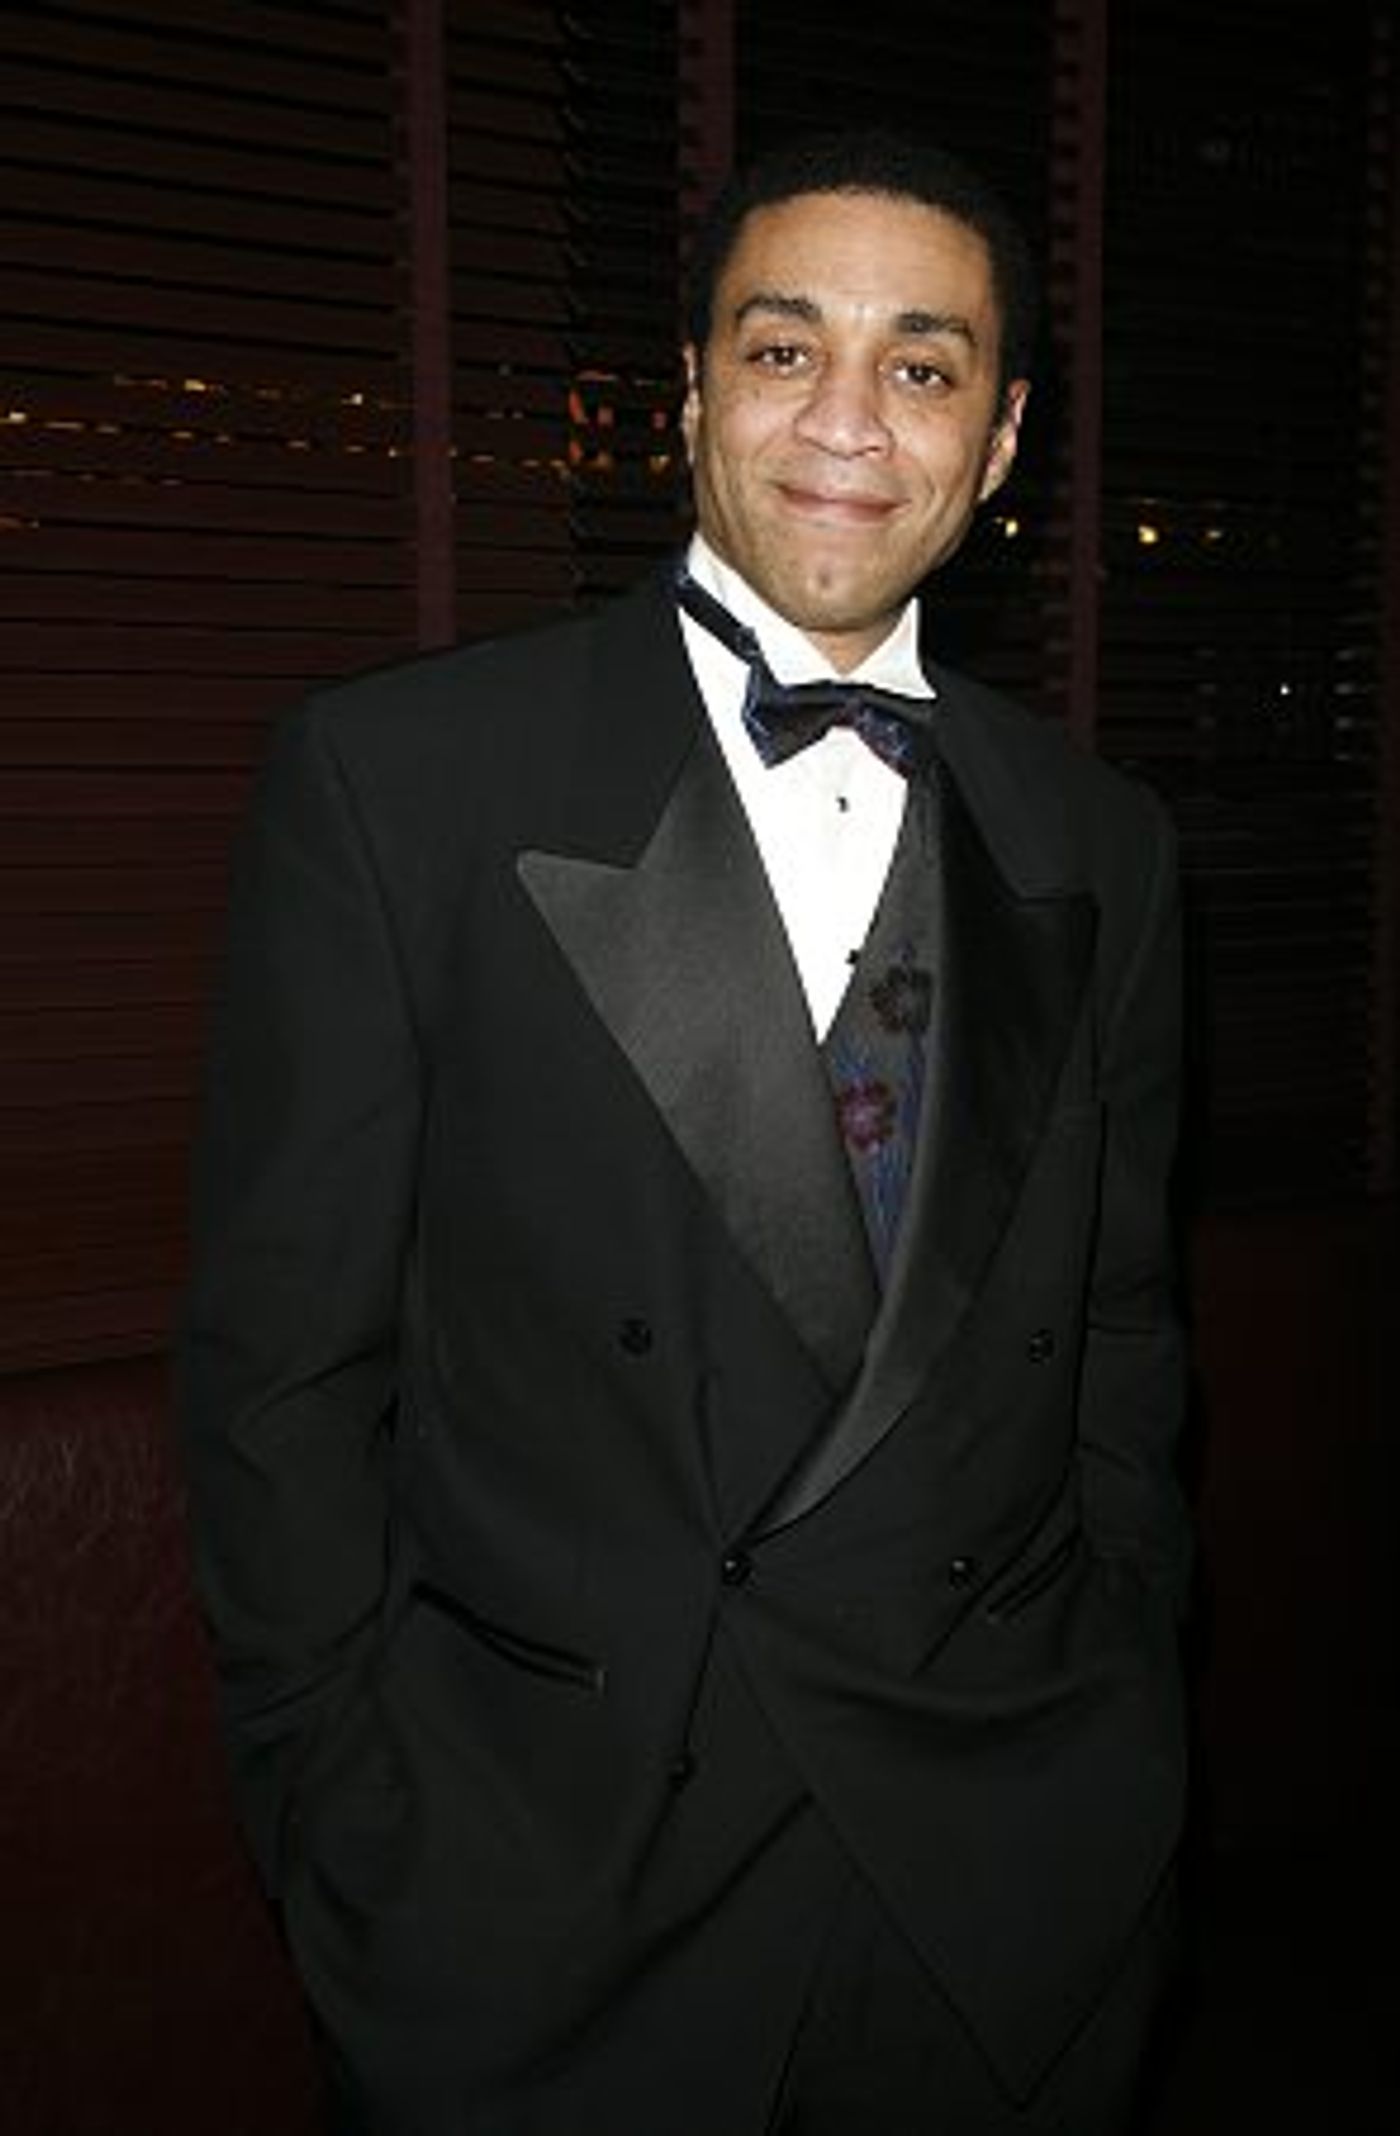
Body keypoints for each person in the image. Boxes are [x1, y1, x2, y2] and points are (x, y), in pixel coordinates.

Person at [178, 128, 1191, 2136]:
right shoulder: (401, 778)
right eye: (783, 348)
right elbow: (280, 1378)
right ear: (691, 396)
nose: (847, 420)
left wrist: (1126, 1720)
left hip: (997, 1888)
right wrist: (345, 1822)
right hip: (549, 1894)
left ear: (999, 443)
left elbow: (1122, 1339)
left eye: (921, 365)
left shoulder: (1106, 843)